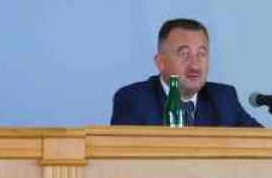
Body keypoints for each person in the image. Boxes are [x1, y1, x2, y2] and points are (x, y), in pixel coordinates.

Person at [111, 18, 262, 127]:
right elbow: (121, 156)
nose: (195, 65)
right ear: (161, 63)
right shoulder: (133, 99)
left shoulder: (223, 98)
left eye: (201, 54)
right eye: (184, 54)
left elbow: (263, 143)